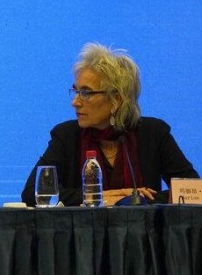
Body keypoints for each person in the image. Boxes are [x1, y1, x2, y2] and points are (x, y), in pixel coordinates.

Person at [22, 43, 198, 206]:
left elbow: (194, 192)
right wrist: (105, 197)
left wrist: (135, 199)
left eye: (85, 92)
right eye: (76, 91)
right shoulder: (66, 136)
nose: (75, 102)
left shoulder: (154, 133)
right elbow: (33, 193)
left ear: (117, 100)